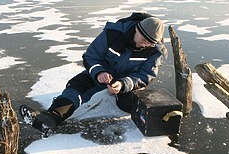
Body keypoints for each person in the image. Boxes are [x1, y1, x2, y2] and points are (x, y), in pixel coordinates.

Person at [19, 12, 168, 137]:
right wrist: (99, 72)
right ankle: (51, 118)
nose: (144, 45)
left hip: (127, 80)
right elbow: (90, 56)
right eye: (142, 40)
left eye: (149, 44)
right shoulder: (113, 34)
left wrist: (123, 84)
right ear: (136, 29)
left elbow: (145, 75)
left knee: (127, 104)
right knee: (76, 86)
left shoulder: (155, 51)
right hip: (103, 71)